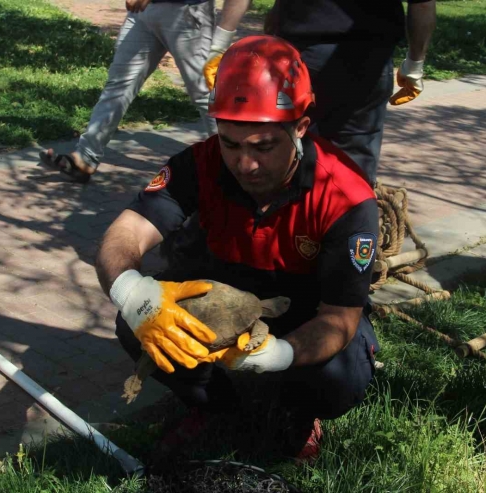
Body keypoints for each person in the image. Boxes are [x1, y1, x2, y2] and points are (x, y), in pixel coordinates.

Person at [95, 35, 381, 461]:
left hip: (306, 310)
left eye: (264, 147)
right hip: (223, 302)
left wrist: (282, 353)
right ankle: (212, 407)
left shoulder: (346, 197)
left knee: (341, 374)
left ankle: (301, 413)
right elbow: (125, 233)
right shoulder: (199, 164)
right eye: (231, 143)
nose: (245, 164)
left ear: (300, 127)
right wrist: (133, 293)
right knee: (134, 324)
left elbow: (339, 318)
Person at [202, 0, 437, 186]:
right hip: (368, 60)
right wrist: (414, 64)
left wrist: (220, 44)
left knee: (290, 149)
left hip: (297, 58)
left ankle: (288, 232)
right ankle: (350, 233)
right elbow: (423, 4)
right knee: (355, 157)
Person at [40, 0, 219, 183]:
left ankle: (230, 164)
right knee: (118, 86)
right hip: (142, 13)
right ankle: (85, 157)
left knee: (205, 93)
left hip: (186, 12)